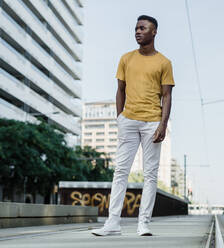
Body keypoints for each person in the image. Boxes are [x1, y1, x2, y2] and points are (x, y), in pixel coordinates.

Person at [92, 15, 175, 236]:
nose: (138, 31)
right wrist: (120, 117)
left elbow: (166, 96)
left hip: (152, 123)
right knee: (120, 172)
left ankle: (143, 223)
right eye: (136, 28)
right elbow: (120, 90)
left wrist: (163, 125)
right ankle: (112, 223)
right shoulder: (126, 59)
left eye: (143, 28)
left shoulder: (164, 62)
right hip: (128, 121)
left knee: (150, 174)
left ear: (154, 31)